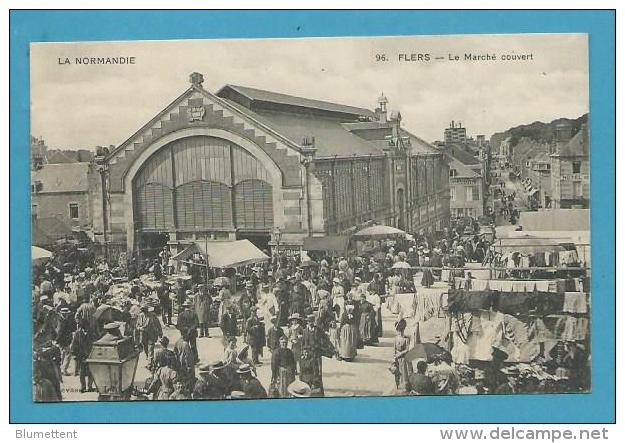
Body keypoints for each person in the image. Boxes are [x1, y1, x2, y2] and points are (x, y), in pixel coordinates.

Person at [70, 318, 94, 393]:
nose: (86, 328)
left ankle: (90, 386)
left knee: (91, 372)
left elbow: (95, 342)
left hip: (90, 355)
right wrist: (74, 354)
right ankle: (83, 387)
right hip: (81, 355)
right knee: (82, 372)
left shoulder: (92, 332)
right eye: (85, 326)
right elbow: (74, 344)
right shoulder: (77, 333)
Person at [393, 318, 412, 393]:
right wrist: (394, 357)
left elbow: (407, 349)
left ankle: (405, 386)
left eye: (402, 331)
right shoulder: (396, 338)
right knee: (398, 372)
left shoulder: (406, 339)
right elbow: (394, 349)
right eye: (399, 331)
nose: (401, 333)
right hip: (398, 358)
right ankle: (398, 385)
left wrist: (399, 354)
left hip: (404, 358)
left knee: (405, 372)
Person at [56, 306, 76, 376]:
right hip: (63, 340)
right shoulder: (63, 321)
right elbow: (60, 331)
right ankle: (64, 369)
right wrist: (57, 340)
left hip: (63, 340)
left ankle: (61, 369)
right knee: (68, 354)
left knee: (63, 354)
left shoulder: (61, 319)